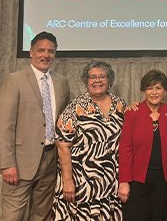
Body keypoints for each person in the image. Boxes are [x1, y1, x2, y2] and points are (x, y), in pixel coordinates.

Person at [0, 31, 71, 221]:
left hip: (51, 159)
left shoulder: (62, 82)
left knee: (42, 214)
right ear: (31, 52)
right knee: (13, 216)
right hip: (19, 163)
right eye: (41, 50)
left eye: (50, 51)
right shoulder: (15, 80)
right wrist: (7, 164)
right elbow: (4, 125)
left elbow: (66, 120)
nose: (46, 55)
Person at [53, 61, 127, 220]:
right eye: (92, 77)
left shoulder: (120, 105)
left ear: (109, 81)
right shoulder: (75, 107)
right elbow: (62, 146)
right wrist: (67, 181)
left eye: (102, 76)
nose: (97, 80)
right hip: (81, 183)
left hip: (112, 182)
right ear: (86, 81)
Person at [118, 69, 167, 220]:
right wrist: (123, 181)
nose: (154, 92)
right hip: (137, 180)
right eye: (149, 88)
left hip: (164, 181)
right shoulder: (133, 113)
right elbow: (125, 149)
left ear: (165, 90)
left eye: (158, 88)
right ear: (143, 91)